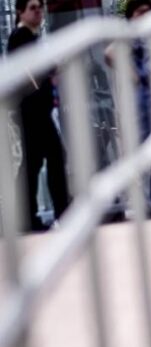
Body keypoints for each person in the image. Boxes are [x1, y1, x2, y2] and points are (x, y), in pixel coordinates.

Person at [105, 0, 151, 215]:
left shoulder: (150, 37)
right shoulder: (132, 36)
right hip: (143, 101)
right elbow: (110, 53)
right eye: (141, 12)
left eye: (149, 12)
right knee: (146, 151)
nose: (145, 16)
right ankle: (147, 201)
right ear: (132, 15)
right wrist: (133, 76)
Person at [7, 0, 70, 231]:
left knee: (33, 164)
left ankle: (25, 217)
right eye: (32, 7)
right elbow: (28, 71)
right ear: (20, 12)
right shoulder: (20, 36)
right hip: (32, 110)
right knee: (52, 156)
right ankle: (61, 212)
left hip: (35, 109)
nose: (38, 12)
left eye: (40, 7)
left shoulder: (30, 38)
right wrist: (50, 71)